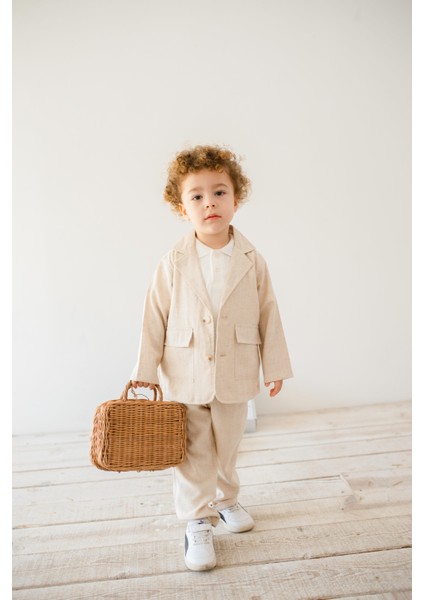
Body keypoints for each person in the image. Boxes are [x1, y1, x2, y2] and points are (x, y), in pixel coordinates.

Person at [131, 145, 293, 571]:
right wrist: (145, 372)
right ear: (181, 208)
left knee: (228, 446)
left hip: (236, 370)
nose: (210, 203)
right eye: (197, 196)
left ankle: (226, 499)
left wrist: (275, 366)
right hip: (183, 371)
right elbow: (153, 317)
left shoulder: (252, 260)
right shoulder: (173, 262)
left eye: (219, 192)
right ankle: (197, 521)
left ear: (236, 199)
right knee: (193, 449)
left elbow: (268, 312)